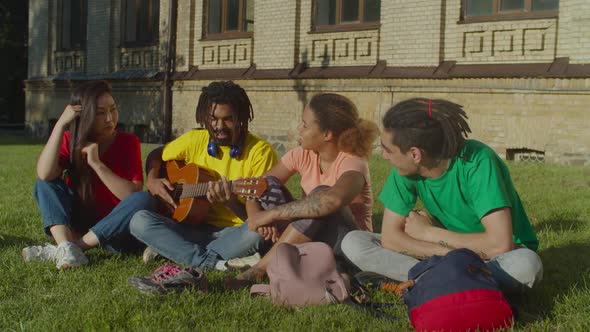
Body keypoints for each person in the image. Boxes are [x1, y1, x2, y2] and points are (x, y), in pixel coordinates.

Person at [342, 98, 543, 293]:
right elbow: (391, 238)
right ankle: (457, 281)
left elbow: (499, 244)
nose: (384, 156)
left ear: (415, 154)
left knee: (526, 266)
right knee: (353, 242)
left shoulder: (478, 162)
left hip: (496, 258)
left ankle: (428, 281)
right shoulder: (405, 170)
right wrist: (445, 254)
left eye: (388, 150)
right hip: (447, 254)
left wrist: (429, 233)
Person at [127, 81, 278, 293]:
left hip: (234, 234)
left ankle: (177, 252)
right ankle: (214, 262)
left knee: (258, 234)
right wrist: (152, 180)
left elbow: (261, 221)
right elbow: (156, 155)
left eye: (228, 119)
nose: (219, 126)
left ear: (241, 119)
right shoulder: (195, 139)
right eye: (213, 119)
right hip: (191, 228)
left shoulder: (261, 153)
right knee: (139, 220)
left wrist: (230, 202)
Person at [224, 93, 379, 289]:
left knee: (321, 195)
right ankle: (283, 258)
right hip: (314, 238)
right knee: (270, 185)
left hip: (349, 250)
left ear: (327, 134)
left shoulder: (353, 162)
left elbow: (332, 201)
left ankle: (259, 269)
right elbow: (257, 187)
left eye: (305, 125)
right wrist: (257, 217)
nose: (299, 129)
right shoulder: (302, 154)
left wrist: (270, 214)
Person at [23, 80, 154, 269]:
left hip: (114, 231)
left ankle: (72, 247)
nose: (110, 118)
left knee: (144, 199)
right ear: (83, 115)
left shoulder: (129, 142)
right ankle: (66, 247)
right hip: (79, 221)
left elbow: (131, 195)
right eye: (101, 113)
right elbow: (44, 174)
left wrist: (96, 164)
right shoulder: (71, 139)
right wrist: (60, 125)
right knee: (45, 184)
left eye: (113, 109)